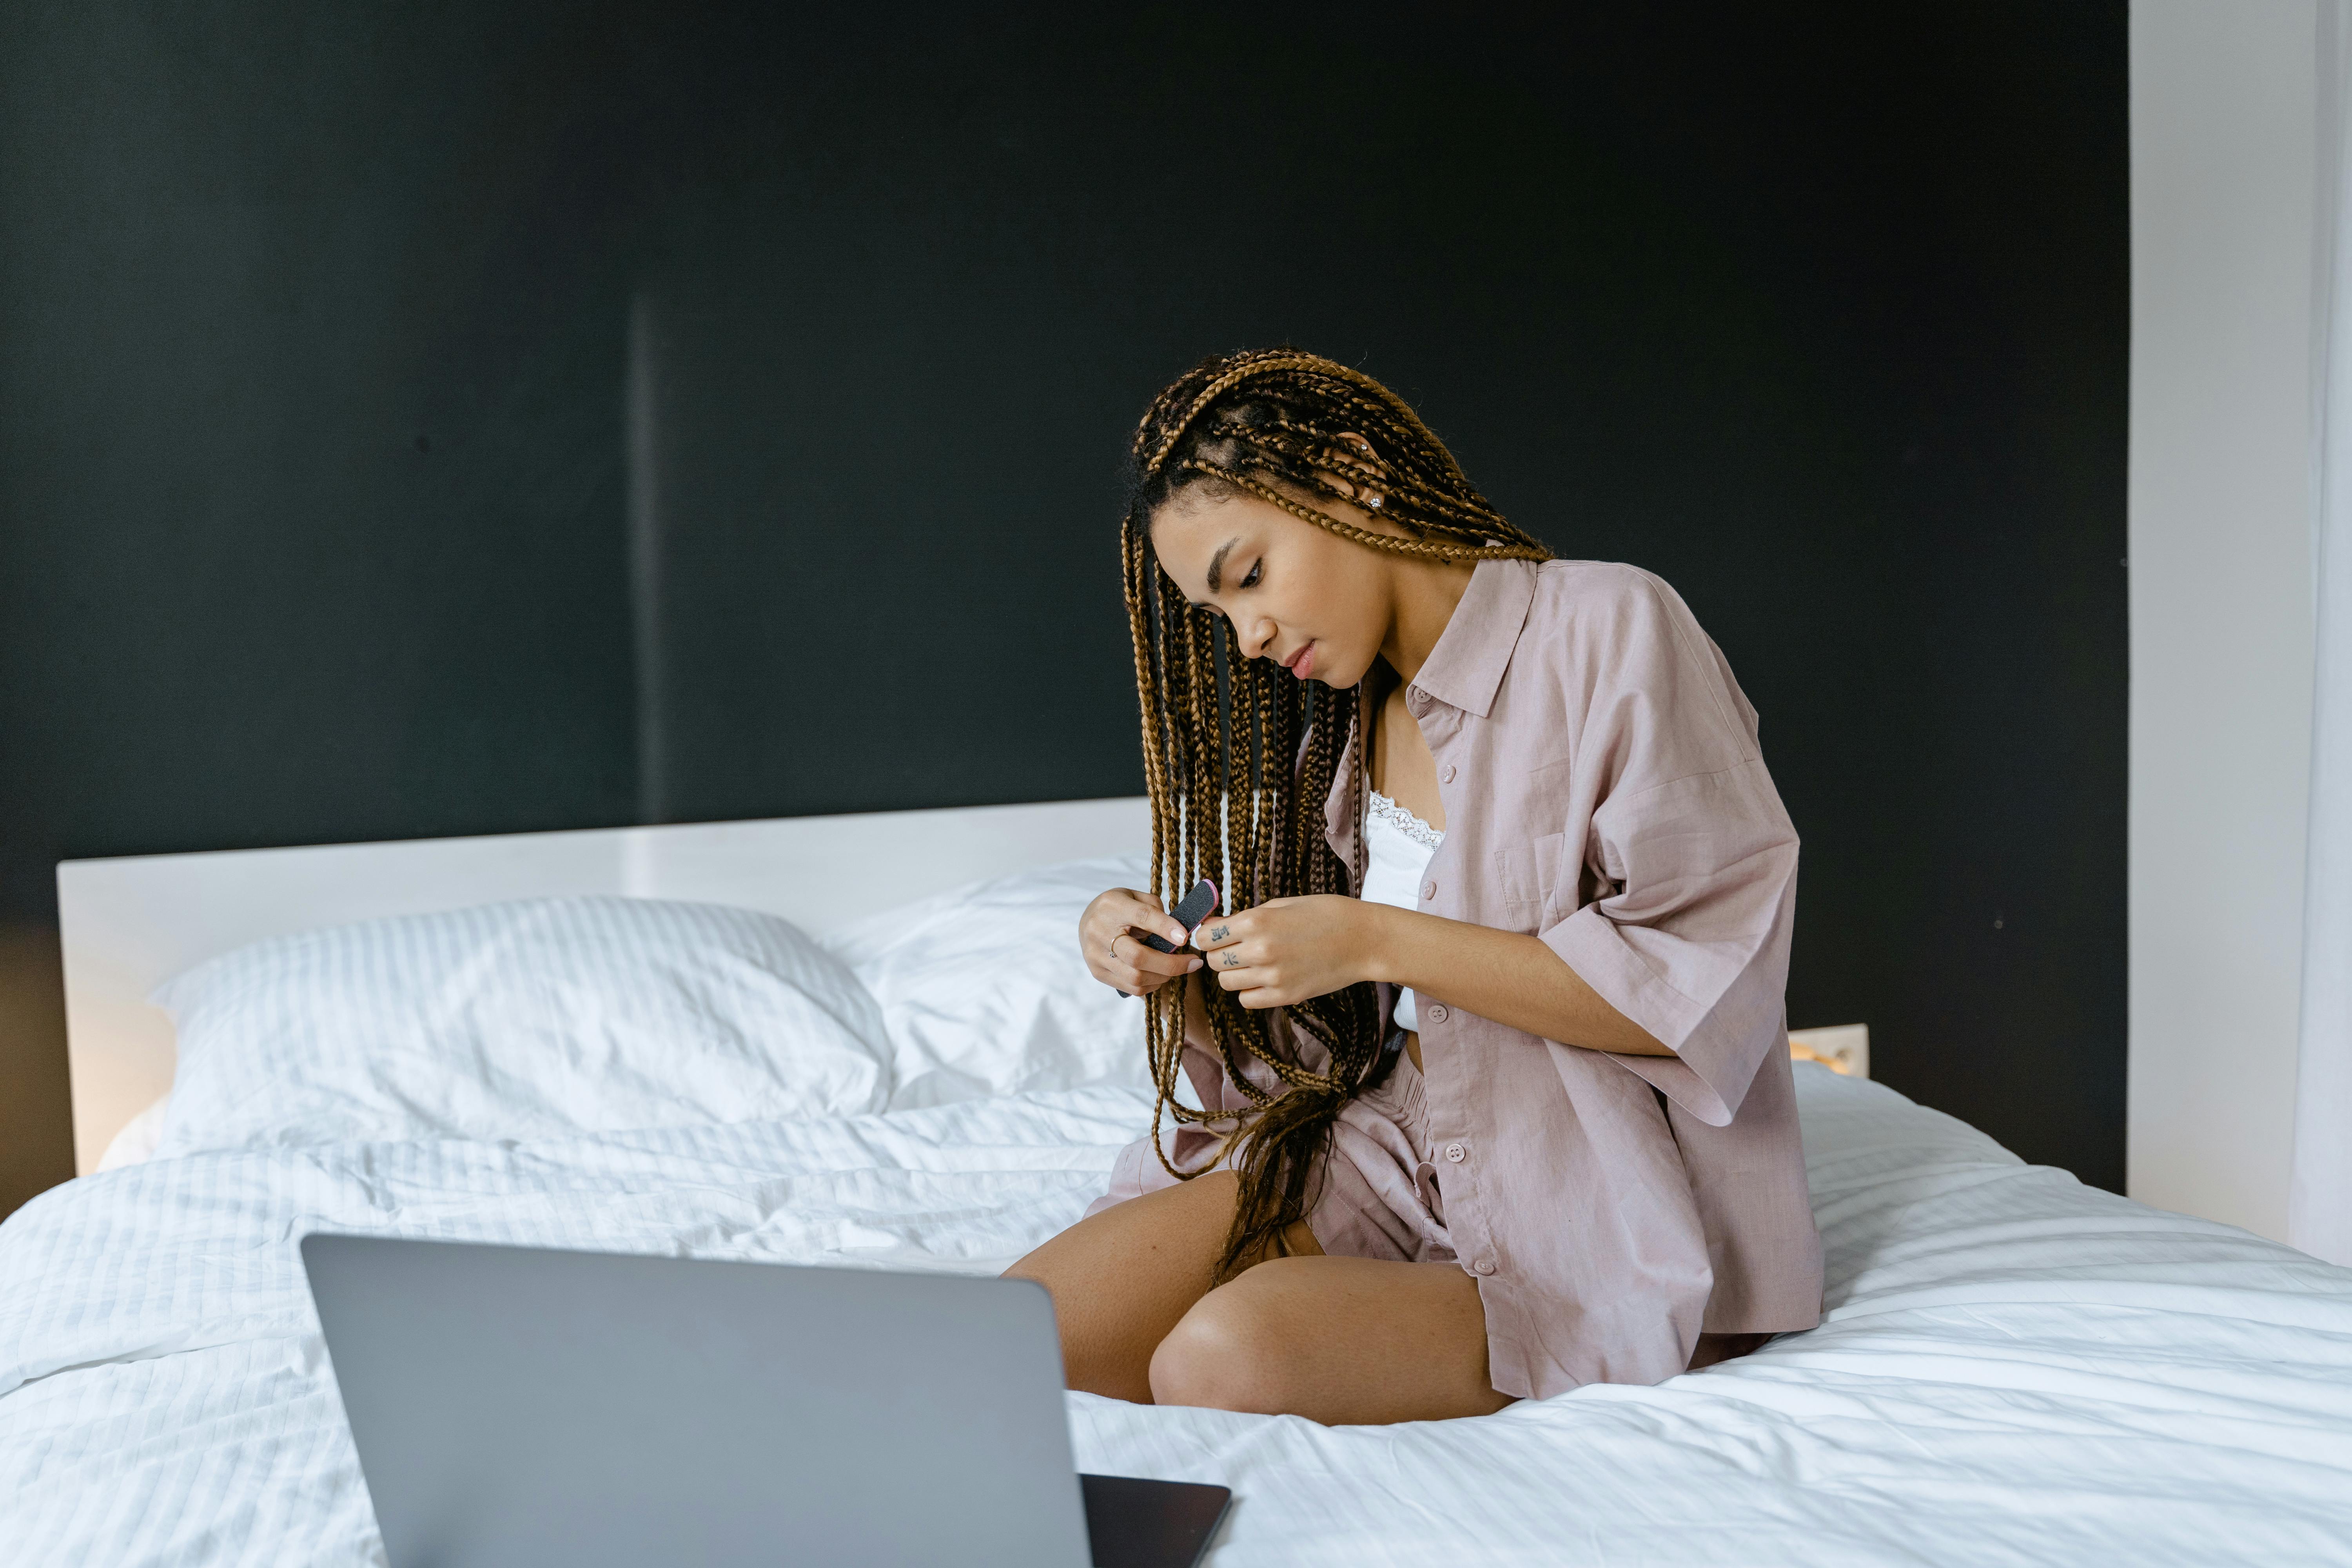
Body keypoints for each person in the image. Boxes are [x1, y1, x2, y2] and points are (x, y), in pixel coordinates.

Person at [1005, 350, 1822, 1425]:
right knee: (1008, 1343)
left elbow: (1702, 989)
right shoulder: (1345, 735)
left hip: (1589, 1187)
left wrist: (1375, 939)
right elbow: (1321, 1056)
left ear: (1351, 475)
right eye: (1217, 613)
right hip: (1386, 1144)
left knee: (1221, 1362)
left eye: (1249, 576)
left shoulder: (1613, 628)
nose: (1246, 639)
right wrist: (1178, 973)